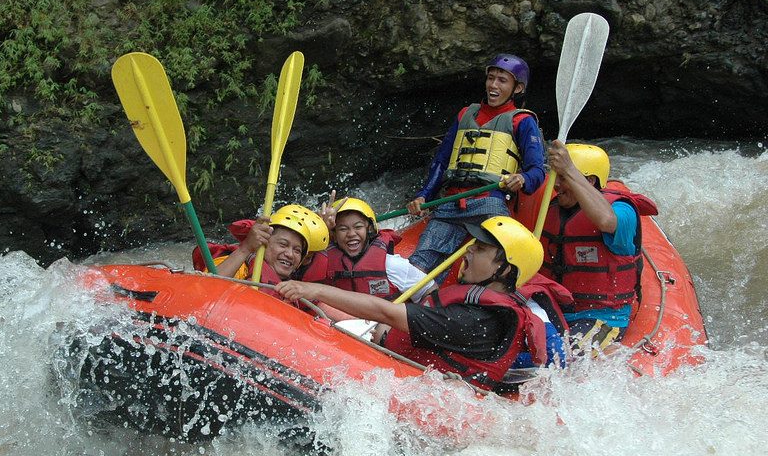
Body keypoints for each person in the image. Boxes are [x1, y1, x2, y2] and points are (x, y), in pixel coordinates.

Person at [277, 216, 548, 392]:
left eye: (480, 249)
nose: (468, 250)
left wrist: (310, 288)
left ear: (503, 269)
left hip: (421, 395)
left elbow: (385, 311)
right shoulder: (481, 309)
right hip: (402, 360)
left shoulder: (475, 320)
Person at [406, 54, 547, 283]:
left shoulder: (522, 121)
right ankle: (413, 307)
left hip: (488, 202)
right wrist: (424, 195)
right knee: (419, 265)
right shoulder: (465, 114)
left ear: (517, 88)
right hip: (450, 203)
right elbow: (442, 162)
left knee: (499, 265)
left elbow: (536, 171)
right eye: (491, 78)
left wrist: (521, 178)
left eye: (502, 80)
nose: (493, 85)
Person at [540, 141, 659, 351]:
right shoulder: (552, 209)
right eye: (555, 176)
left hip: (602, 317)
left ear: (589, 180)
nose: (556, 184)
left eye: (563, 178)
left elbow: (606, 221)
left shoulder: (622, 210)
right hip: (554, 311)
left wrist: (569, 168)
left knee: (565, 356)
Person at [300, 195, 433, 300]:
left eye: (358, 227)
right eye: (343, 229)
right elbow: (297, 266)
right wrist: (321, 227)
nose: (351, 234)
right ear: (333, 234)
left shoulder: (392, 265)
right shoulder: (323, 260)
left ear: (369, 229)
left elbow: (430, 290)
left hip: (382, 327)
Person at [193, 204, 329, 286]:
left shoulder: (291, 285)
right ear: (264, 241)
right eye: (283, 244)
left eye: (297, 250)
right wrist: (245, 248)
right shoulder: (240, 266)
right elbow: (206, 288)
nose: (289, 254)